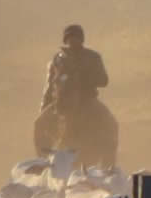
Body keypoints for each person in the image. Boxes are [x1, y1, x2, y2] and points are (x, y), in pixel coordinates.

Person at [34, 24, 115, 163]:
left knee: (111, 124)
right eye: (70, 37)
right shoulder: (58, 59)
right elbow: (50, 85)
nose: (73, 41)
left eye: (76, 37)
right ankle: (42, 160)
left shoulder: (93, 57)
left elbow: (104, 80)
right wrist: (44, 106)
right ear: (65, 40)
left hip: (87, 99)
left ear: (81, 39)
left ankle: (109, 165)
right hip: (60, 101)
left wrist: (86, 79)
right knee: (39, 123)